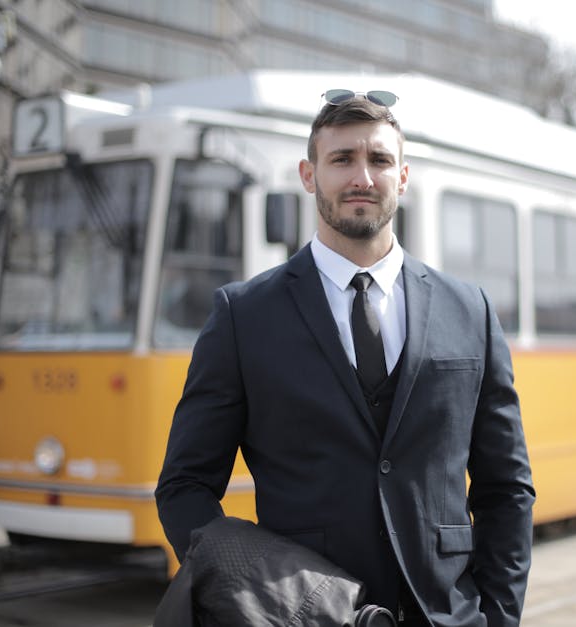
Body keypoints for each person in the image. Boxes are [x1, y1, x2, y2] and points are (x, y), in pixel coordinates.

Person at [155, 88, 535, 626]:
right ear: (309, 175)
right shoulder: (243, 316)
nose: (362, 177)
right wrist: (255, 592)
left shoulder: (469, 310)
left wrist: (498, 616)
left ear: (402, 178)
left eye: (379, 160)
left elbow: (506, 487)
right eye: (342, 159)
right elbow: (183, 487)